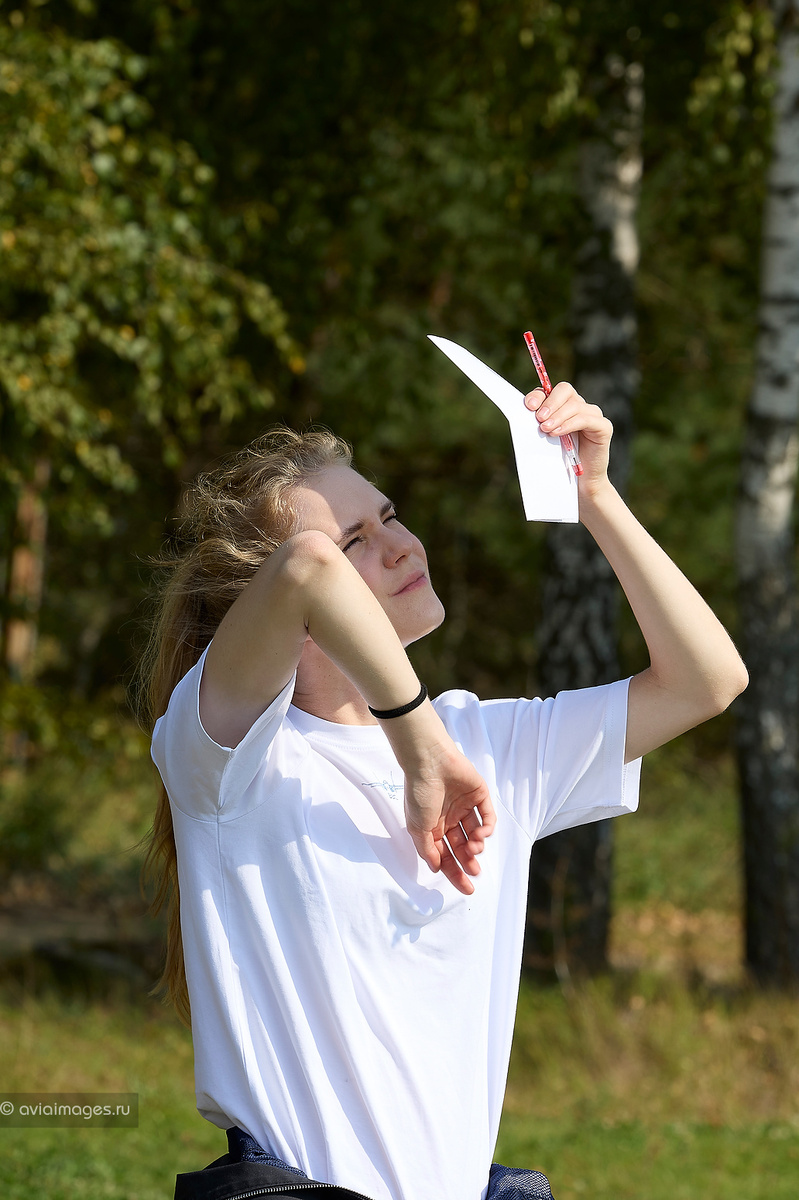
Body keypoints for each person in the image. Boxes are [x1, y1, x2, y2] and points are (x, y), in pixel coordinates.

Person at [143, 379, 748, 1200]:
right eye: (360, 538)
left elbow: (706, 680)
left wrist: (594, 496)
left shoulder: (490, 743)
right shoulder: (222, 757)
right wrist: (420, 743)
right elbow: (307, 566)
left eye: (389, 516)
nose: (397, 544)